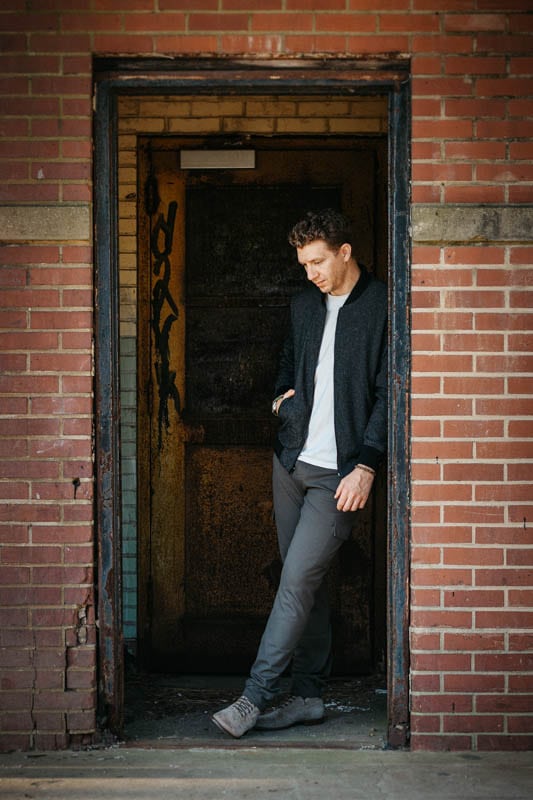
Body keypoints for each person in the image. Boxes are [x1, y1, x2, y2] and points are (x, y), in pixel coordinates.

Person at [212, 208, 388, 738]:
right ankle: (308, 696)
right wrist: (282, 404)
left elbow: (388, 391)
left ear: (344, 252)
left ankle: (254, 696)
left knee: (294, 583)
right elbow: (289, 360)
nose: (310, 272)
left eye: (317, 261)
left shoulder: (383, 306)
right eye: (303, 262)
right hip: (292, 462)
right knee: (302, 580)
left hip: (339, 473)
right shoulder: (303, 305)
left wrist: (366, 465)